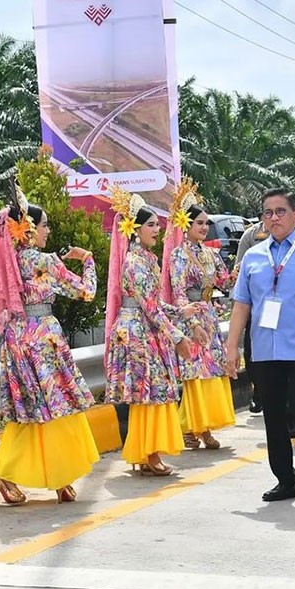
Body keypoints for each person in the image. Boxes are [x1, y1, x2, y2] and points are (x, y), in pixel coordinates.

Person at [0, 194, 100, 505]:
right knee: (59, 405)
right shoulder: (44, 262)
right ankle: (60, 477)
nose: (49, 231)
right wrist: (88, 259)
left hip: (16, 338)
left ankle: (15, 472)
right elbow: (86, 292)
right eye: (46, 225)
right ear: (30, 229)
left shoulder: (7, 265)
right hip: (43, 338)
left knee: (30, 410)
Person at [226, 188, 295, 502]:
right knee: (273, 416)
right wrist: (232, 347)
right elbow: (241, 304)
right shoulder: (253, 256)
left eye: (280, 211)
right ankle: (286, 479)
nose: (274, 218)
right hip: (265, 351)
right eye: (267, 213)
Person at [105, 187, 204, 476]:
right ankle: (147, 453)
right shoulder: (135, 262)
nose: (156, 231)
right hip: (136, 332)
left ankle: (148, 451)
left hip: (146, 328)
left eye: (157, 226)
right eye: (150, 226)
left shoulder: (147, 259)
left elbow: (154, 302)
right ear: (134, 229)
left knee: (155, 391)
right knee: (148, 393)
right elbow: (148, 306)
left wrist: (179, 312)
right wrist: (177, 336)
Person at [166, 195, 238, 449]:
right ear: (186, 224)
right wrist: (193, 322)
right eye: (199, 223)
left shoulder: (211, 253)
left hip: (209, 314)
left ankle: (204, 428)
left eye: (206, 223)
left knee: (211, 371)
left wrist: (235, 274)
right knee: (195, 374)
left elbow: (223, 282)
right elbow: (179, 290)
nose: (204, 228)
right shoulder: (179, 255)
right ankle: (189, 427)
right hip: (191, 317)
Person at [234, 218, 270, 414]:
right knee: (251, 352)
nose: (274, 218)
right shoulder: (250, 236)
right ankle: (258, 393)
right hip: (256, 305)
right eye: (268, 212)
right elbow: (239, 269)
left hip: (284, 307)